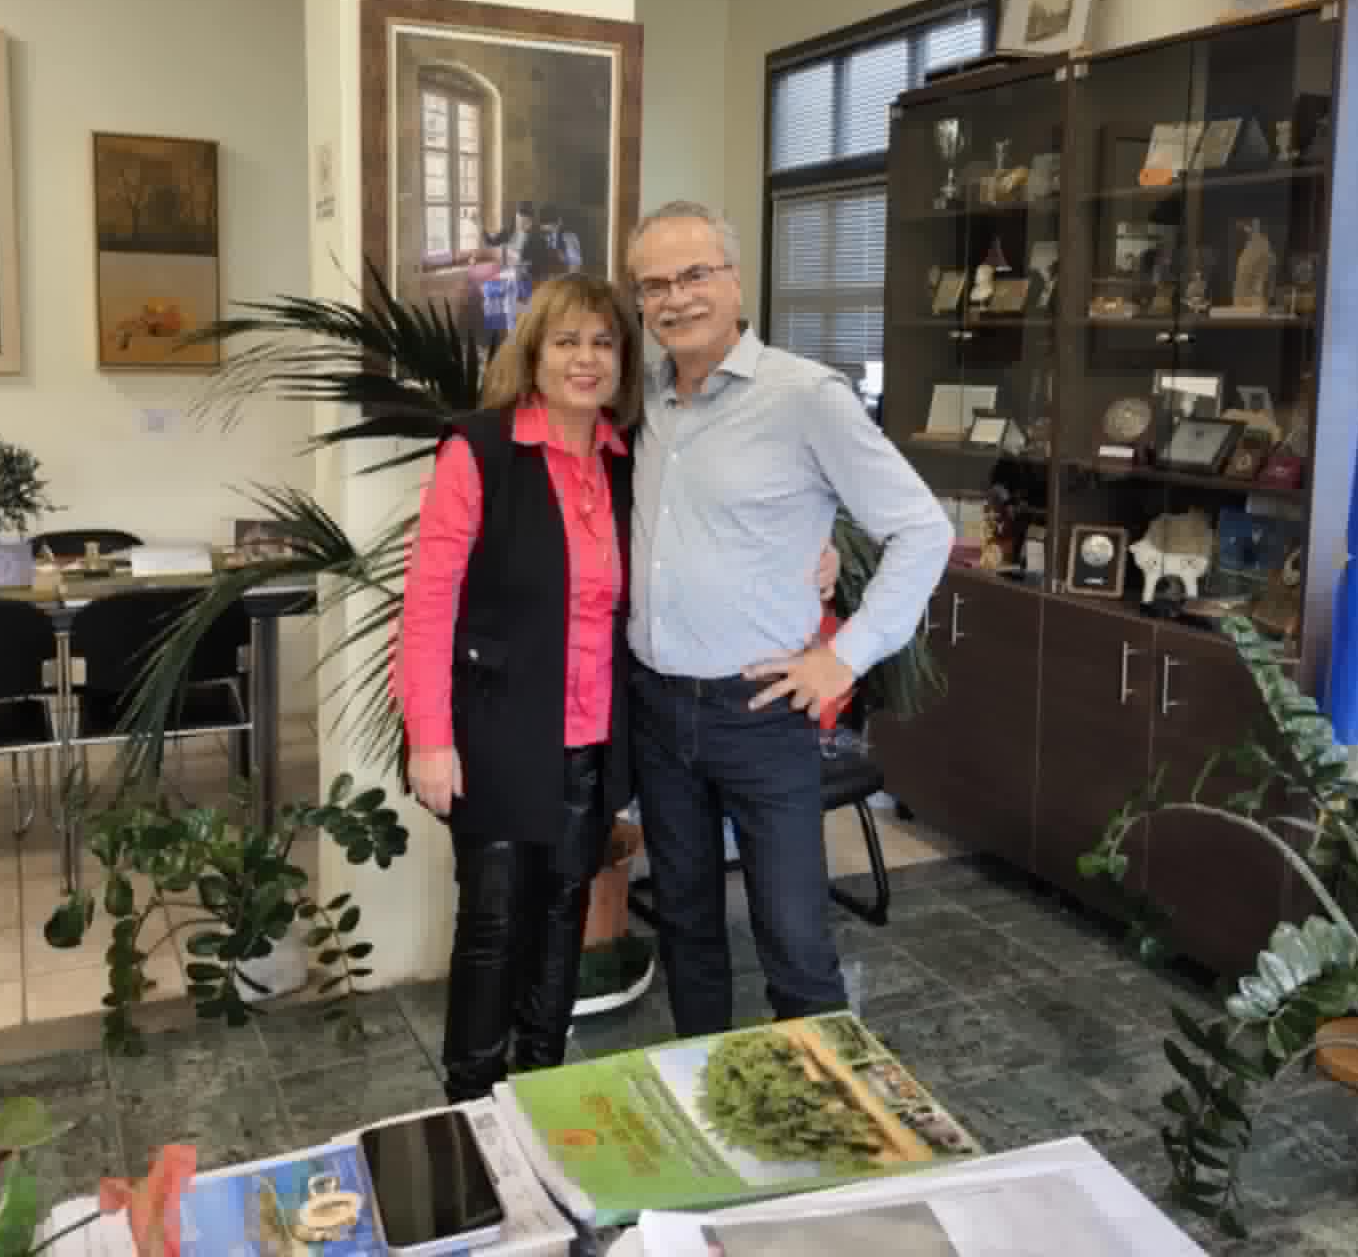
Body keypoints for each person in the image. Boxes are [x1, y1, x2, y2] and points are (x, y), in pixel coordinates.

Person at [626, 200, 952, 1038]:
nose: (675, 298)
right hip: (656, 708)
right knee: (687, 930)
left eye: (694, 275)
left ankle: (822, 1110)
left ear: (735, 281)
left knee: (796, 946)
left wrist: (846, 655)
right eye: (654, 285)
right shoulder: (643, 403)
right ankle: (703, 1087)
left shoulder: (805, 397)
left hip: (761, 713)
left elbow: (923, 529)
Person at [397, 272, 643, 1102]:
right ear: (533, 353)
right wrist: (431, 739)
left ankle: (541, 1093)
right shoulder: (480, 450)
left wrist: (815, 557)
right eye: (566, 341)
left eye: (603, 342)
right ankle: (472, 1105)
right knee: (494, 925)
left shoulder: (626, 461)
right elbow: (429, 604)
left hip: (592, 736)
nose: (585, 359)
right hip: (497, 729)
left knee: (563, 914)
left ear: (623, 360)